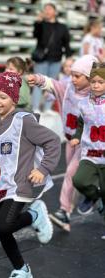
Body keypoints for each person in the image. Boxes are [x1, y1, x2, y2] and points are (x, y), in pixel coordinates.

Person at [0, 71, 61, 278]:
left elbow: (52, 141)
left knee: (3, 225)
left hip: (19, 184)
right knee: (2, 230)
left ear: (14, 99)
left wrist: (43, 169)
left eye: (3, 97)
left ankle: (35, 214)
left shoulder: (23, 121)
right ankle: (21, 269)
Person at [27, 55, 98, 232]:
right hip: (71, 141)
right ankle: (68, 214)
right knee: (73, 178)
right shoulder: (67, 88)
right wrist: (37, 79)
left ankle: (65, 210)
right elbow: (51, 84)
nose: (72, 79)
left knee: (71, 175)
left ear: (89, 77)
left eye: (77, 76)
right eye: (72, 74)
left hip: (88, 144)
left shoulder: (96, 94)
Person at [71, 62, 105, 240]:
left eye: (101, 82)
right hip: (90, 153)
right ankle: (93, 197)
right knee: (79, 180)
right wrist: (77, 136)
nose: (96, 85)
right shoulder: (84, 103)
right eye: (93, 81)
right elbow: (81, 123)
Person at [31, 3, 72, 113]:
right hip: (41, 59)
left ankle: (47, 108)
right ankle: (35, 107)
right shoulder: (40, 24)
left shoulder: (62, 27)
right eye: (45, 9)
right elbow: (35, 35)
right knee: (38, 83)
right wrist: (38, 22)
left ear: (55, 12)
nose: (47, 11)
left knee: (52, 84)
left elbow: (66, 44)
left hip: (56, 59)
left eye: (49, 9)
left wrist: (68, 57)